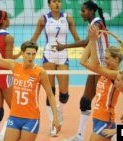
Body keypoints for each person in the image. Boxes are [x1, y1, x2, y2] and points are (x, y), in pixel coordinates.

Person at [0, 20, 61, 141]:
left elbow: (51, 96)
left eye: (33, 54)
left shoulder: (40, 72)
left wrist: (55, 118)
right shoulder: (14, 66)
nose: (30, 57)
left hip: (31, 119)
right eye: (28, 54)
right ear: (22, 53)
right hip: (14, 118)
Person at [30, 0, 80, 136]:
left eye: (59, 1)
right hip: (48, 56)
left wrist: (89, 45)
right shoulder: (43, 19)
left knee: (64, 94)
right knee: (50, 92)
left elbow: (76, 37)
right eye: (54, 1)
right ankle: (54, 122)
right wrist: (23, 52)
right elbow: (34, 38)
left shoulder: (67, 18)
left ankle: (59, 112)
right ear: (49, 4)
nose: (57, 4)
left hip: (63, 55)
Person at [62, 1, 109, 140]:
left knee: (104, 105)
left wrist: (63, 46)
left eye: (83, 11)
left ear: (91, 11)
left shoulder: (97, 24)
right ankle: (80, 136)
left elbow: (85, 42)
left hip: (103, 68)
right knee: (85, 102)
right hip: (95, 67)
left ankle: (114, 133)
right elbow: (88, 46)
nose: (81, 13)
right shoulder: (93, 24)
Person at [79, 25, 123, 141]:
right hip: (98, 119)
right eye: (104, 58)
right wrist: (91, 40)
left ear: (116, 59)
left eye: (107, 58)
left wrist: (95, 40)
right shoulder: (105, 72)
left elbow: (95, 65)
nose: (104, 61)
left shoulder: (117, 75)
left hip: (106, 121)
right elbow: (82, 61)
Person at [0, 10, 21, 141]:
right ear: (4, 21)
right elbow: (9, 62)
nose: (10, 20)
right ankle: (2, 137)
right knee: (16, 110)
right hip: (5, 76)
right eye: (9, 18)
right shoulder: (8, 37)